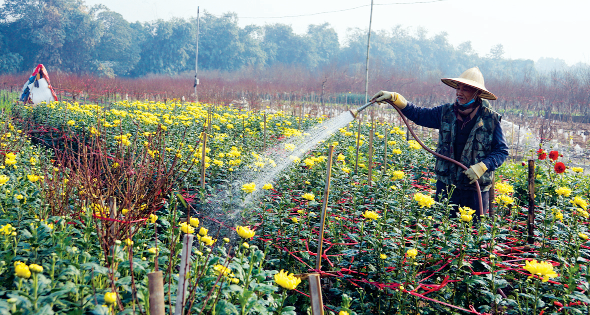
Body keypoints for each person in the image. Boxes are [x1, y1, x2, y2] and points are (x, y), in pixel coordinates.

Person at [372, 67, 509, 218]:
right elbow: (419, 115)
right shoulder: (446, 112)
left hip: (475, 190)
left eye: (465, 89)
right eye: (458, 88)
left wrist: (482, 167)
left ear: (477, 93)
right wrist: (395, 98)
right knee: (442, 231)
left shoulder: (491, 119)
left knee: (472, 233)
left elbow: (501, 151)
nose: (459, 92)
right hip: (446, 185)